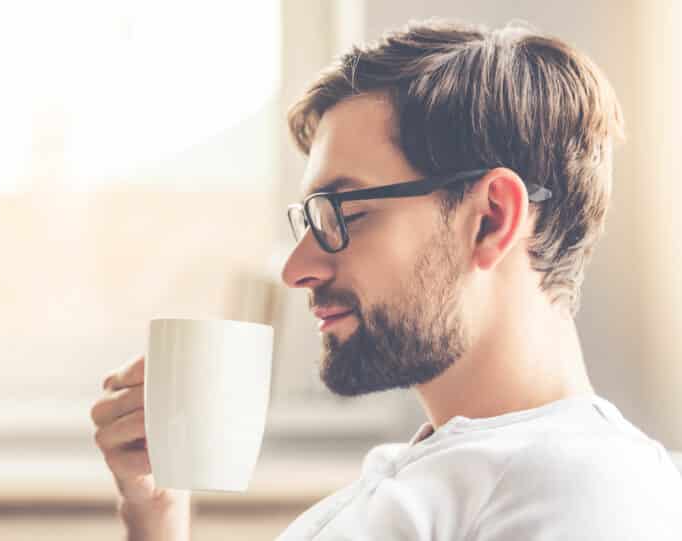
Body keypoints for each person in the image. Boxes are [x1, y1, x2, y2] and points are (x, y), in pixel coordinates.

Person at [90, 17, 682, 540]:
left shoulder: (589, 497)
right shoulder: (433, 476)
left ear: (492, 220)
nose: (298, 269)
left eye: (346, 214)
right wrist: (157, 515)